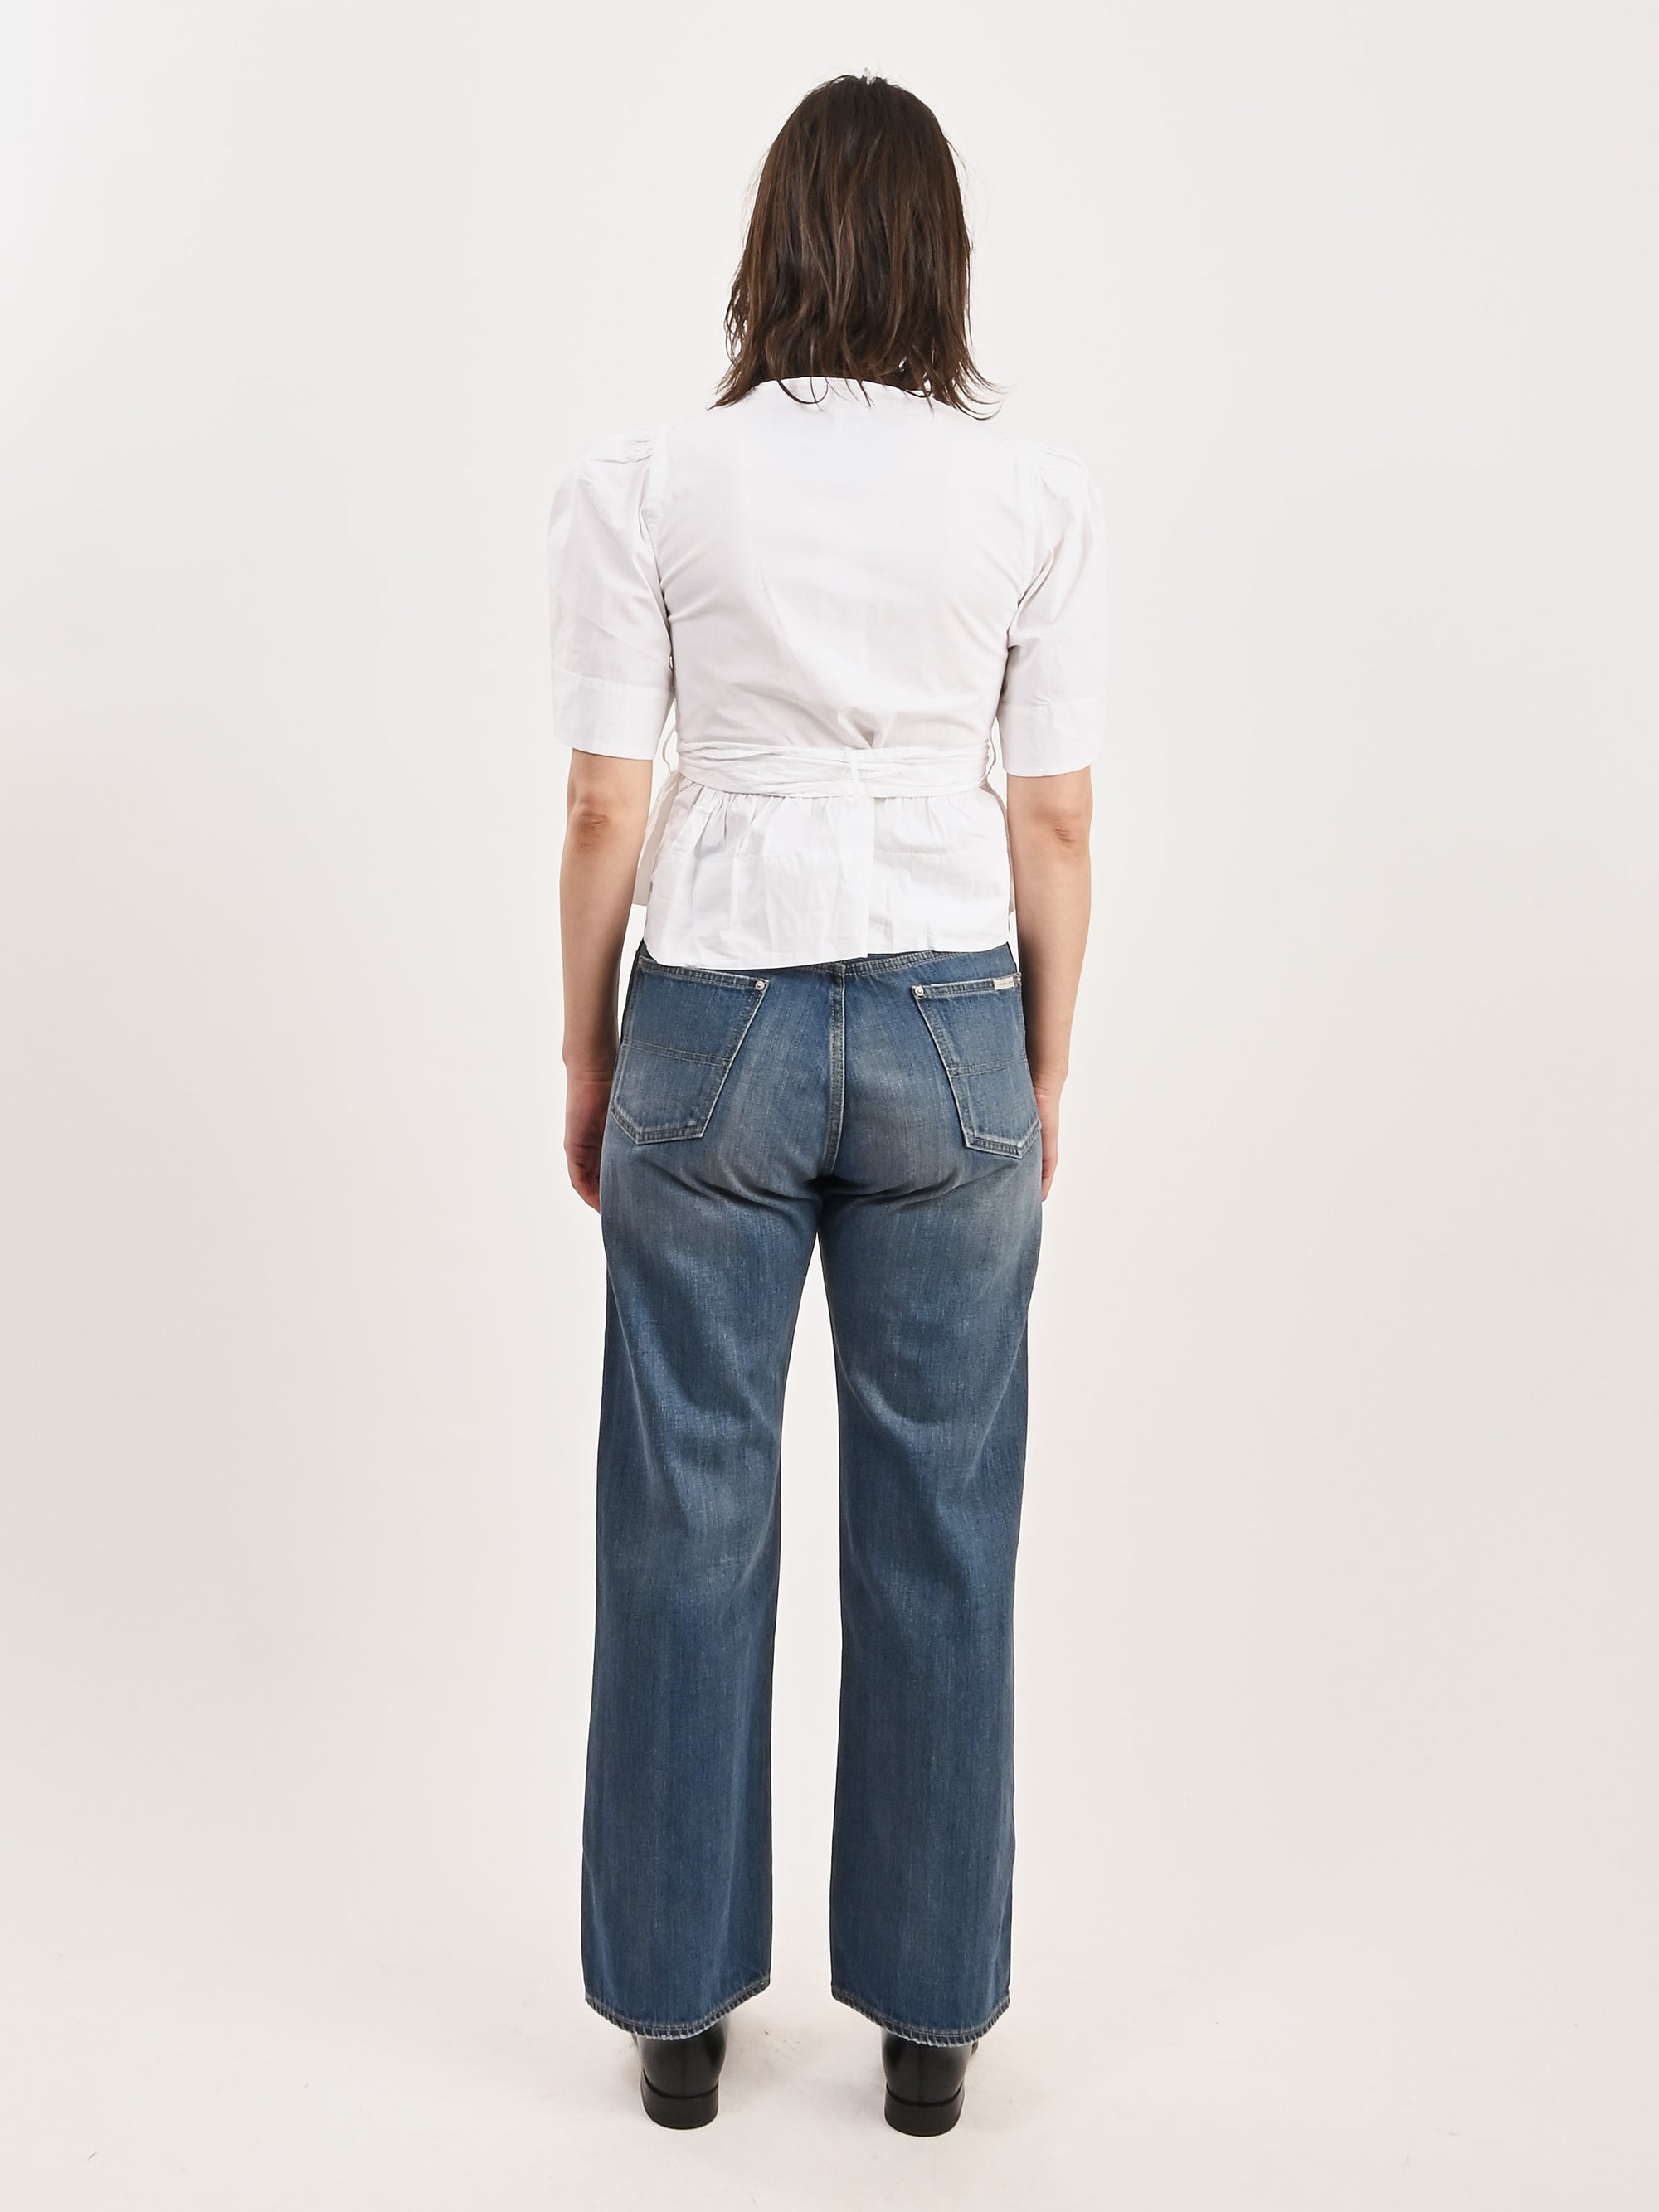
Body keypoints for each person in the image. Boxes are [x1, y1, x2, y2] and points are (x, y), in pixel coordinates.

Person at [547, 71, 1107, 2136]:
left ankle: (677, 2018)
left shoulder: (647, 484)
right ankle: (932, 2032)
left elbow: (606, 797)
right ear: (941, 257)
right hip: (957, 1011)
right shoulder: (1029, 498)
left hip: (714, 1009)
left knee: (686, 1510)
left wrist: (589, 1048)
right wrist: (1042, 1059)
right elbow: (1053, 816)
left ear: (767, 244)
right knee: (942, 1518)